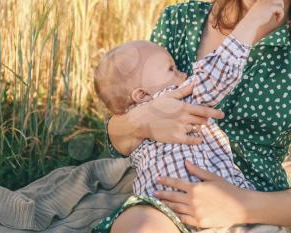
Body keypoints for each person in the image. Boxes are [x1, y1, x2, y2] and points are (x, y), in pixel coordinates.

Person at [92, 0, 291, 232]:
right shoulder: (181, 21)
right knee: (138, 226)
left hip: (254, 201)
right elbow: (120, 136)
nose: (183, 74)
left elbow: (213, 79)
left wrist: (241, 205)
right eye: (173, 70)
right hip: (165, 200)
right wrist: (143, 121)